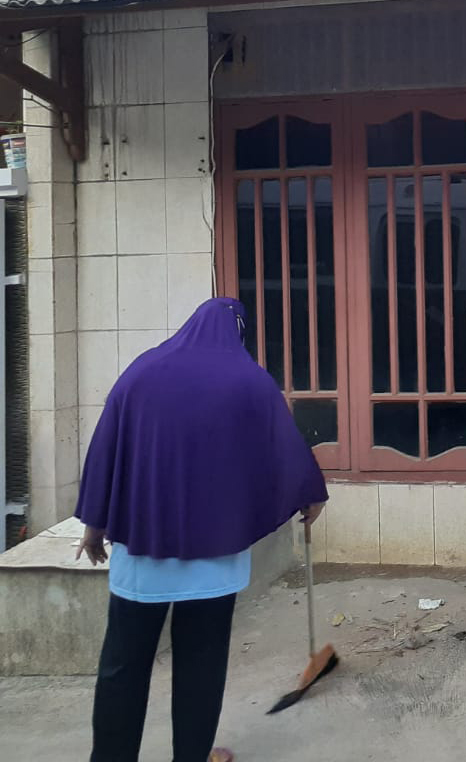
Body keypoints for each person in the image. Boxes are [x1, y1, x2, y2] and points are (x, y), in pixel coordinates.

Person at [74, 297, 329, 762]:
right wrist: (311, 494)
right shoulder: (249, 380)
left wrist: (95, 526)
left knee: (122, 667)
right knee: (201, 668)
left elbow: (107, 447)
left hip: (142, 553)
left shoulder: (140, 373)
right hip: (213, 561)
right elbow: (284, 448)